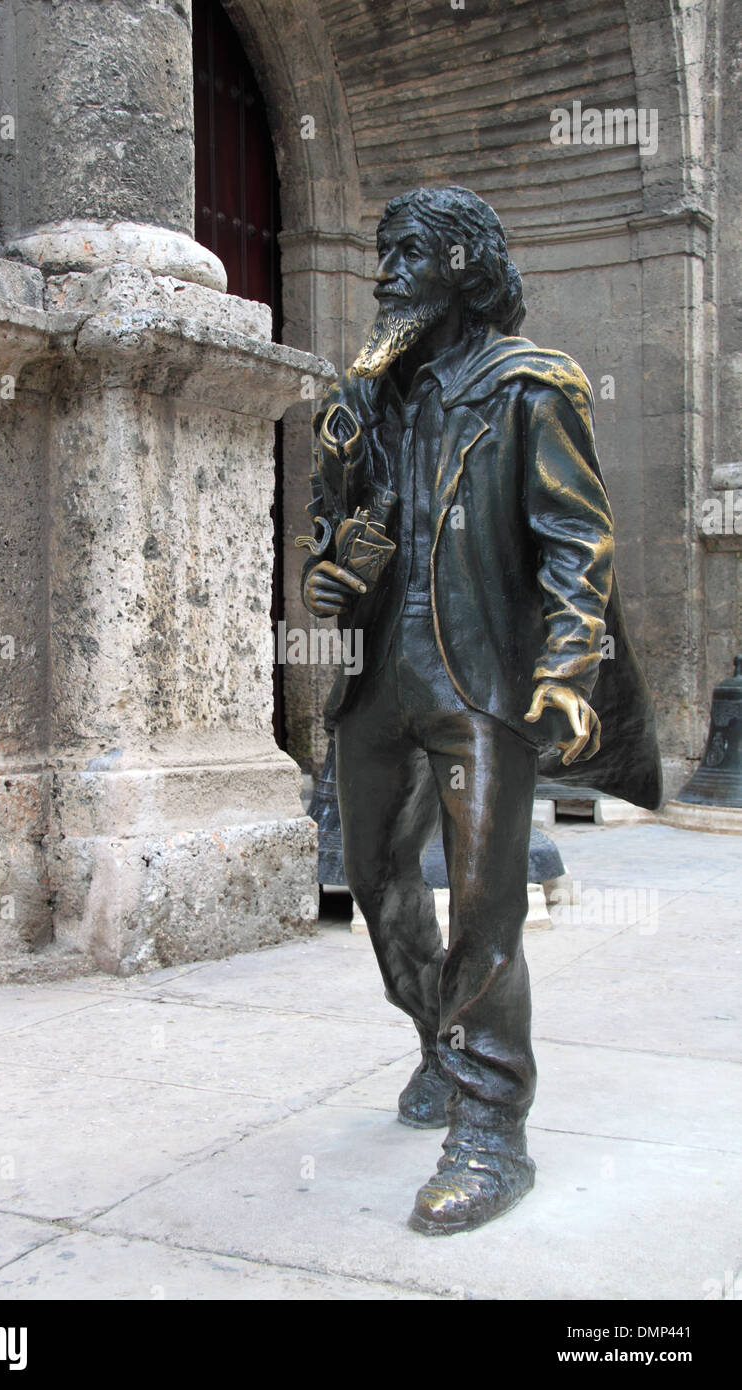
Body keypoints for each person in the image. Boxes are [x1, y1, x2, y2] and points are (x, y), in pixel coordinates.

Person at [300, 185, 661, 1235]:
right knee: (369, 877)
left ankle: (490, 1126)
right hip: (378, 682)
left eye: (406, 253)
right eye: (379, 254)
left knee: (484, 904)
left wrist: (564, 670)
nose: (383, 274)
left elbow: (574, 541)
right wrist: (329, 576)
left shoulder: (527, 387)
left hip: (478, 684)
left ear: (463, 263)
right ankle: (436, 1041)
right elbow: (336, 532)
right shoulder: (360, 399)